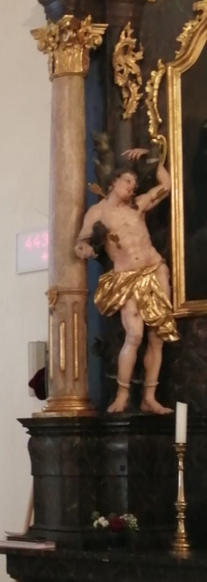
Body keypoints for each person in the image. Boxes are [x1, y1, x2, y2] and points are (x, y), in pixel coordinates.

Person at [75, 148, 178, 415]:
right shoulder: (97, 213)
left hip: (154, 269)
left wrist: (150, 158)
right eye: (127, 181)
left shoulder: (138, 205)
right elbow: (81, 242)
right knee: (135, 334)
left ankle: (149, 398)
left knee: (157, 336)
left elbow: (166, 185)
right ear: (113, 183)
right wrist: (86, 250)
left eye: (135, 183)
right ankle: (122, 396)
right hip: (126, 276)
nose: (132, 187)